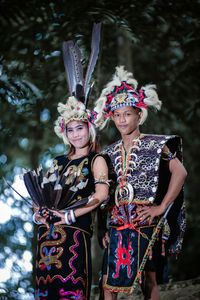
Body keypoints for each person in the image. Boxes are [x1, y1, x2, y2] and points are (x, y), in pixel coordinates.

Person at [94, 66, 187, 299]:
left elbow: (180, 172)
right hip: (116, 222)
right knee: (107, 280)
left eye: (127, 114)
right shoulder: (108, 153)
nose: (122, 119)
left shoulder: (156, 144)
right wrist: (103, 229)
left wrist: (161, 207)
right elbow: (105, 194)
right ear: (111, 117)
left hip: (145, 217)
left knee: (149, 278)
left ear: (138, 114)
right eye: (117, 115)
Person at [32, 23, 109, 299]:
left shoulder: (96, 159)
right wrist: (38, 213)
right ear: (65, 132)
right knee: (46, 291)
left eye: (81, 128)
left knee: (71, 291)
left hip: (75, 234)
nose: (76, 134)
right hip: (47, 238)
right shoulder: (57, 160)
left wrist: (69, 215)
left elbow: (101, 195)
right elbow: (41, 195)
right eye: (71, 129)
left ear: (90, 129)